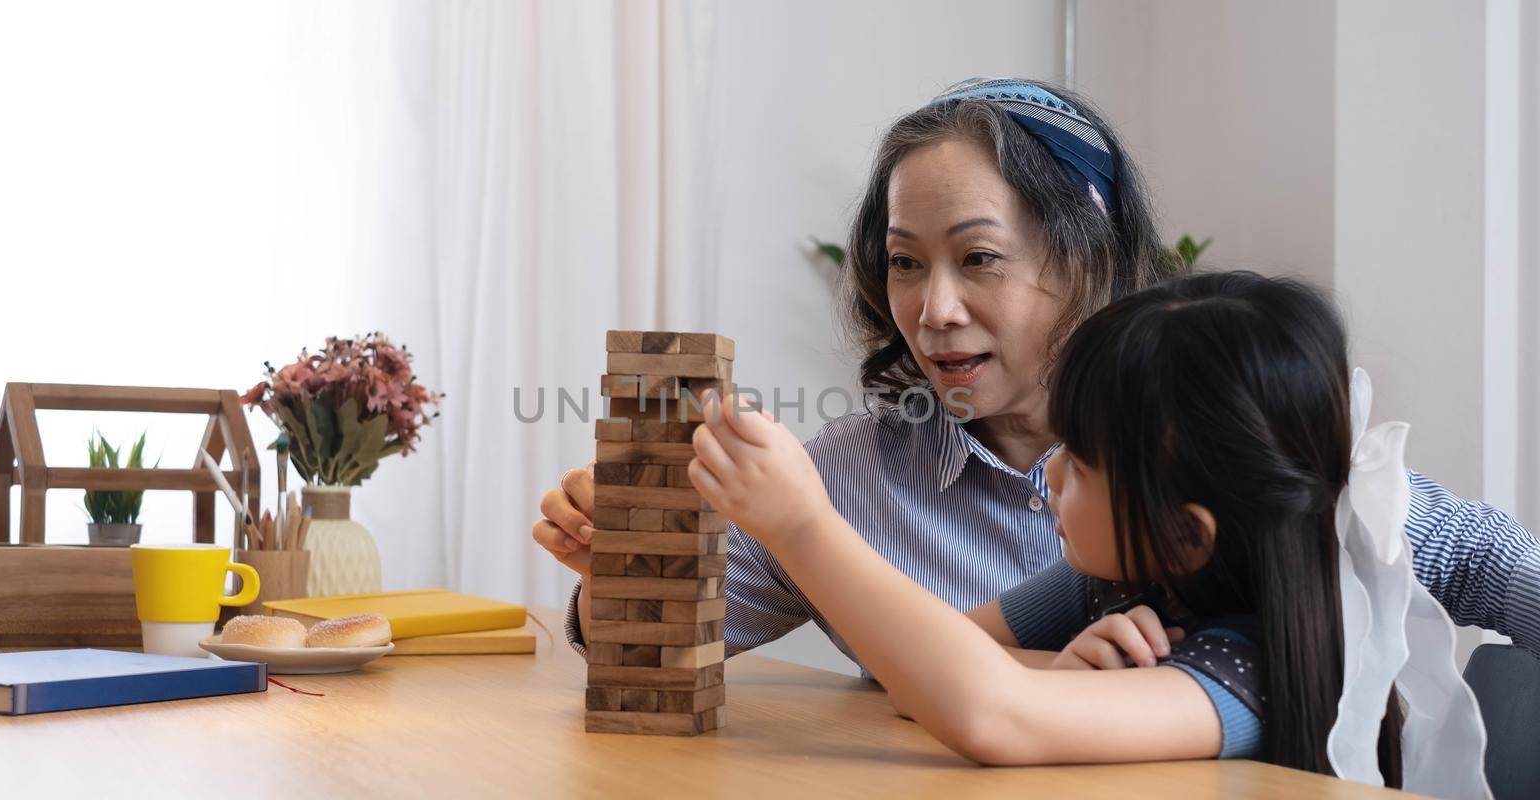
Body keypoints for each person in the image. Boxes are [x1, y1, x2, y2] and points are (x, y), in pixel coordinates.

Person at [533, 78, 1540, 668]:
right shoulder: (836, 476)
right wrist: (620, 563)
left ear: (1087, 259)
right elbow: (638, 642)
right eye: (901, 260)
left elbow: (1474, 551)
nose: (931, 309)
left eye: (978, 258)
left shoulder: (1217, 440)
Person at [685, 272, 1485, 791]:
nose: (1053, 474)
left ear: (1186, 535)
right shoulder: (1114, 582)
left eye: (1085, 461)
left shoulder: (1246, 670)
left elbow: (991, 716)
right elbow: (921, 681)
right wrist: (1061, 674)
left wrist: (803, 524)